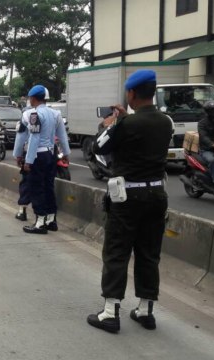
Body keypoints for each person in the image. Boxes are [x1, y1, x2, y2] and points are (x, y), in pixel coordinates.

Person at [86, 69, 174, 334]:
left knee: (117, 252)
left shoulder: (126, 124)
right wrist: (124, 120)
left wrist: (111, 123)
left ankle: (110, 312)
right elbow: (143, 136)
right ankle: (146, 310)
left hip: (128, 198)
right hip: (157, 195)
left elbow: (99, 147)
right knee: (149, 253)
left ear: (132, 93)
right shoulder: (166, 121)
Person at [21, 85, 70, 234]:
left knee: (37, 188)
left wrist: (28, 161)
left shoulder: (35, 114)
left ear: (33, 98)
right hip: (51, 154)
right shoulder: (56, 114)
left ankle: (40, 223)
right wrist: (66, 153)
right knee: (49, 187)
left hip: (38, 155)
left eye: (30, 98)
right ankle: (51, 220)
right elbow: (62, 135)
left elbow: (34, 138)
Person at [13, 101, 35, 221]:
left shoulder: (26, 116)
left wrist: (18, 155)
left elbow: (21, 138)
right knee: (46, 184)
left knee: (26, 183)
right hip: (49, 153)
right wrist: (67, 153)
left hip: (31, 154)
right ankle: (48, 218)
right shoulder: (53, 114)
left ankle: (22, 211)